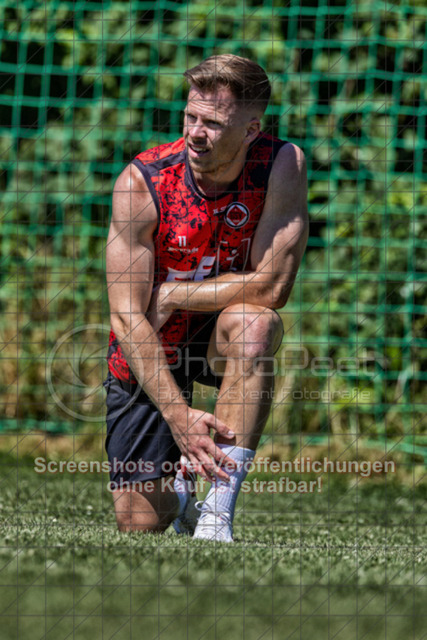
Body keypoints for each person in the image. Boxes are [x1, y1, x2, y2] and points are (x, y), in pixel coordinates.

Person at [104, 54, 308, 541]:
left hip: (220, 334)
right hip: (152, 343)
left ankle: (216, 515)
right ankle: (181, 498)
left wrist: (175, 293)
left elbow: (273, 286)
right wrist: (179, 418)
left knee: (256, 324)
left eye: (213, 123)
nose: (196, 133)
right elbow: (127, 316)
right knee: (138, 521)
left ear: (251, 129)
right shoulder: (143, 182)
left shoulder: (280, 164)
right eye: (190, 117)